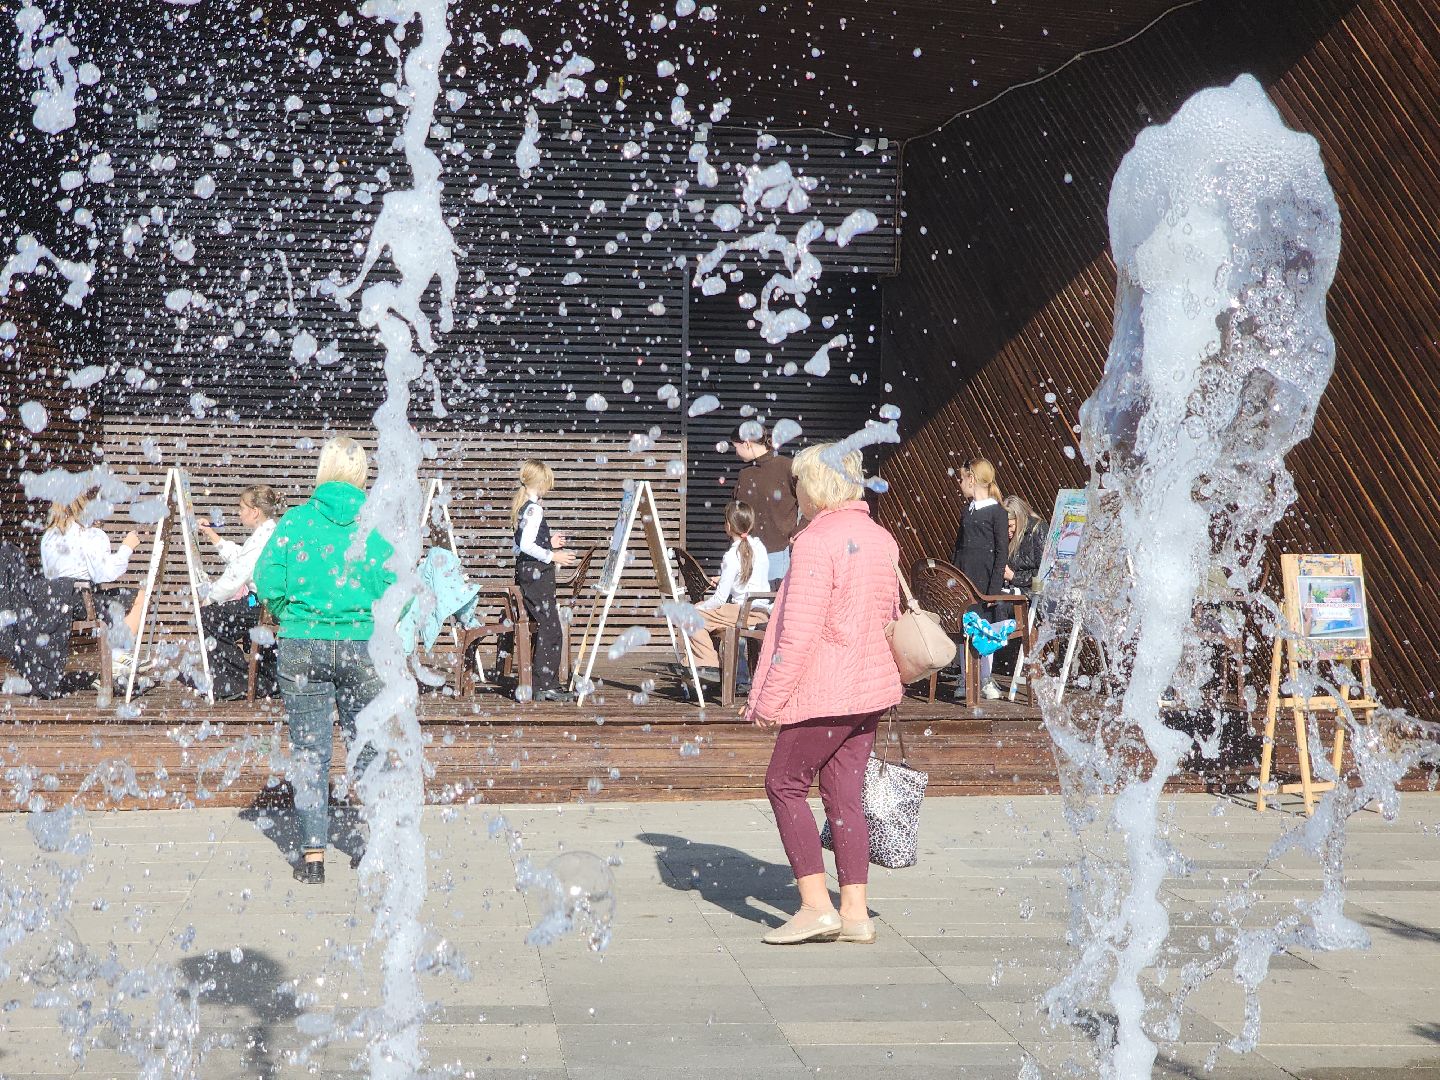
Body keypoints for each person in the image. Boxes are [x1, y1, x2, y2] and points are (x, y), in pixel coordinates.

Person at [745, 443, 902, 946]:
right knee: (843, 794)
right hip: (870, 690)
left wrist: (768, 700)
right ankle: (855, 912)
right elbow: (889, 617)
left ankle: (815, 907)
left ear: (814, 486)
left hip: (826, 691)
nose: (794, 491)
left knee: (783, 783)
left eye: (797, 482)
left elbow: (799, 632)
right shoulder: (879, 537)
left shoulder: (815, 542)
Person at [254, 437, 394, 885]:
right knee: (367, 745)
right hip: (363, 645)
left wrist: (291, 613)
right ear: (361, 474)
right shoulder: (375, 525)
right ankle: (373, 848)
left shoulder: (294, 522)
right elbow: (397, 586)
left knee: (310, 750)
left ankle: (313, 857)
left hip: (302, 644)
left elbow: (264, 580)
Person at [40, 494, 147, 683]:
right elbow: (105, 573)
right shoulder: (88, 533)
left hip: (56, 605)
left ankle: (118, 655)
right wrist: (126, 548)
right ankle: (119, 656)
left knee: (108, 602)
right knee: (140, 596)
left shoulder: (48, 535)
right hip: (81, 600)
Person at [195, 485, 282, 700]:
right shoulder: (269, 531)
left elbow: (236, 575)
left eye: (242, 508)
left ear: (255, 511)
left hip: (261, 605)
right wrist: (212, 535)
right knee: (224, 614)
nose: (239, 512)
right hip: (267, 604)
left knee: (208, 618)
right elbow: (241, 558)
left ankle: (237, 682)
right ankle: (267, 678)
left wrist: (210, 598)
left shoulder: (262, 538)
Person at [511, 459, 576, 703]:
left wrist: (548, 542)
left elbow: (517, 549)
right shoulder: (535, 509)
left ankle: (544, 683)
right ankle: (545, 685)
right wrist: (552, 554)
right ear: (542, 482)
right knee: (551, 628)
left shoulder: (523, 508)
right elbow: (526, 545)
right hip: (538, 576)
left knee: (548, 626)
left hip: (528, 574)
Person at [687, 500, 770, 681]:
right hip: (761, 611)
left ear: (729, 525)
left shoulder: (731, 556)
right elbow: (750, 578)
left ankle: (708, 663)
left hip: (742, 612)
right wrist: (726, 580)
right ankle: (737, 676)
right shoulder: (759, 547)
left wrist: (700, 607)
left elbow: (719, 599)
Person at [950, 457, 1008, 700]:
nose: (960, 484)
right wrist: (952, 577)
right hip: (964, 577)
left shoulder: (997, 512)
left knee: (984, 629)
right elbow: (958, 546)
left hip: (984, 580)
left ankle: (984, 677)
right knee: (966, 628)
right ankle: (966, 676)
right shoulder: (968, 511)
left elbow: (1002, 551)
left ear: (972, 479)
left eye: (962, 478)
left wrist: (994, 588)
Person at [732, 423, 799, 585]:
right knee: (750, 605)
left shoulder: (787, 467)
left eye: (736, 446)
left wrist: (799, 531)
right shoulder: (745, 474)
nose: (735, 452)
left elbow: (811, 499)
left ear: (747, 443)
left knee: (773, 603)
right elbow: (737, 514)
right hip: (747, 553)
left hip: (778, 551)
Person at [1002, 494, 1045, 597]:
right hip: (1014, 590)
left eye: (1010, 526)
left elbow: (1044, 573)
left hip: (1033, 595)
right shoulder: (1010, 536)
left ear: (1020, 518)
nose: (1007, 531)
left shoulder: (1038, 530)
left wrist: (1014, 577)